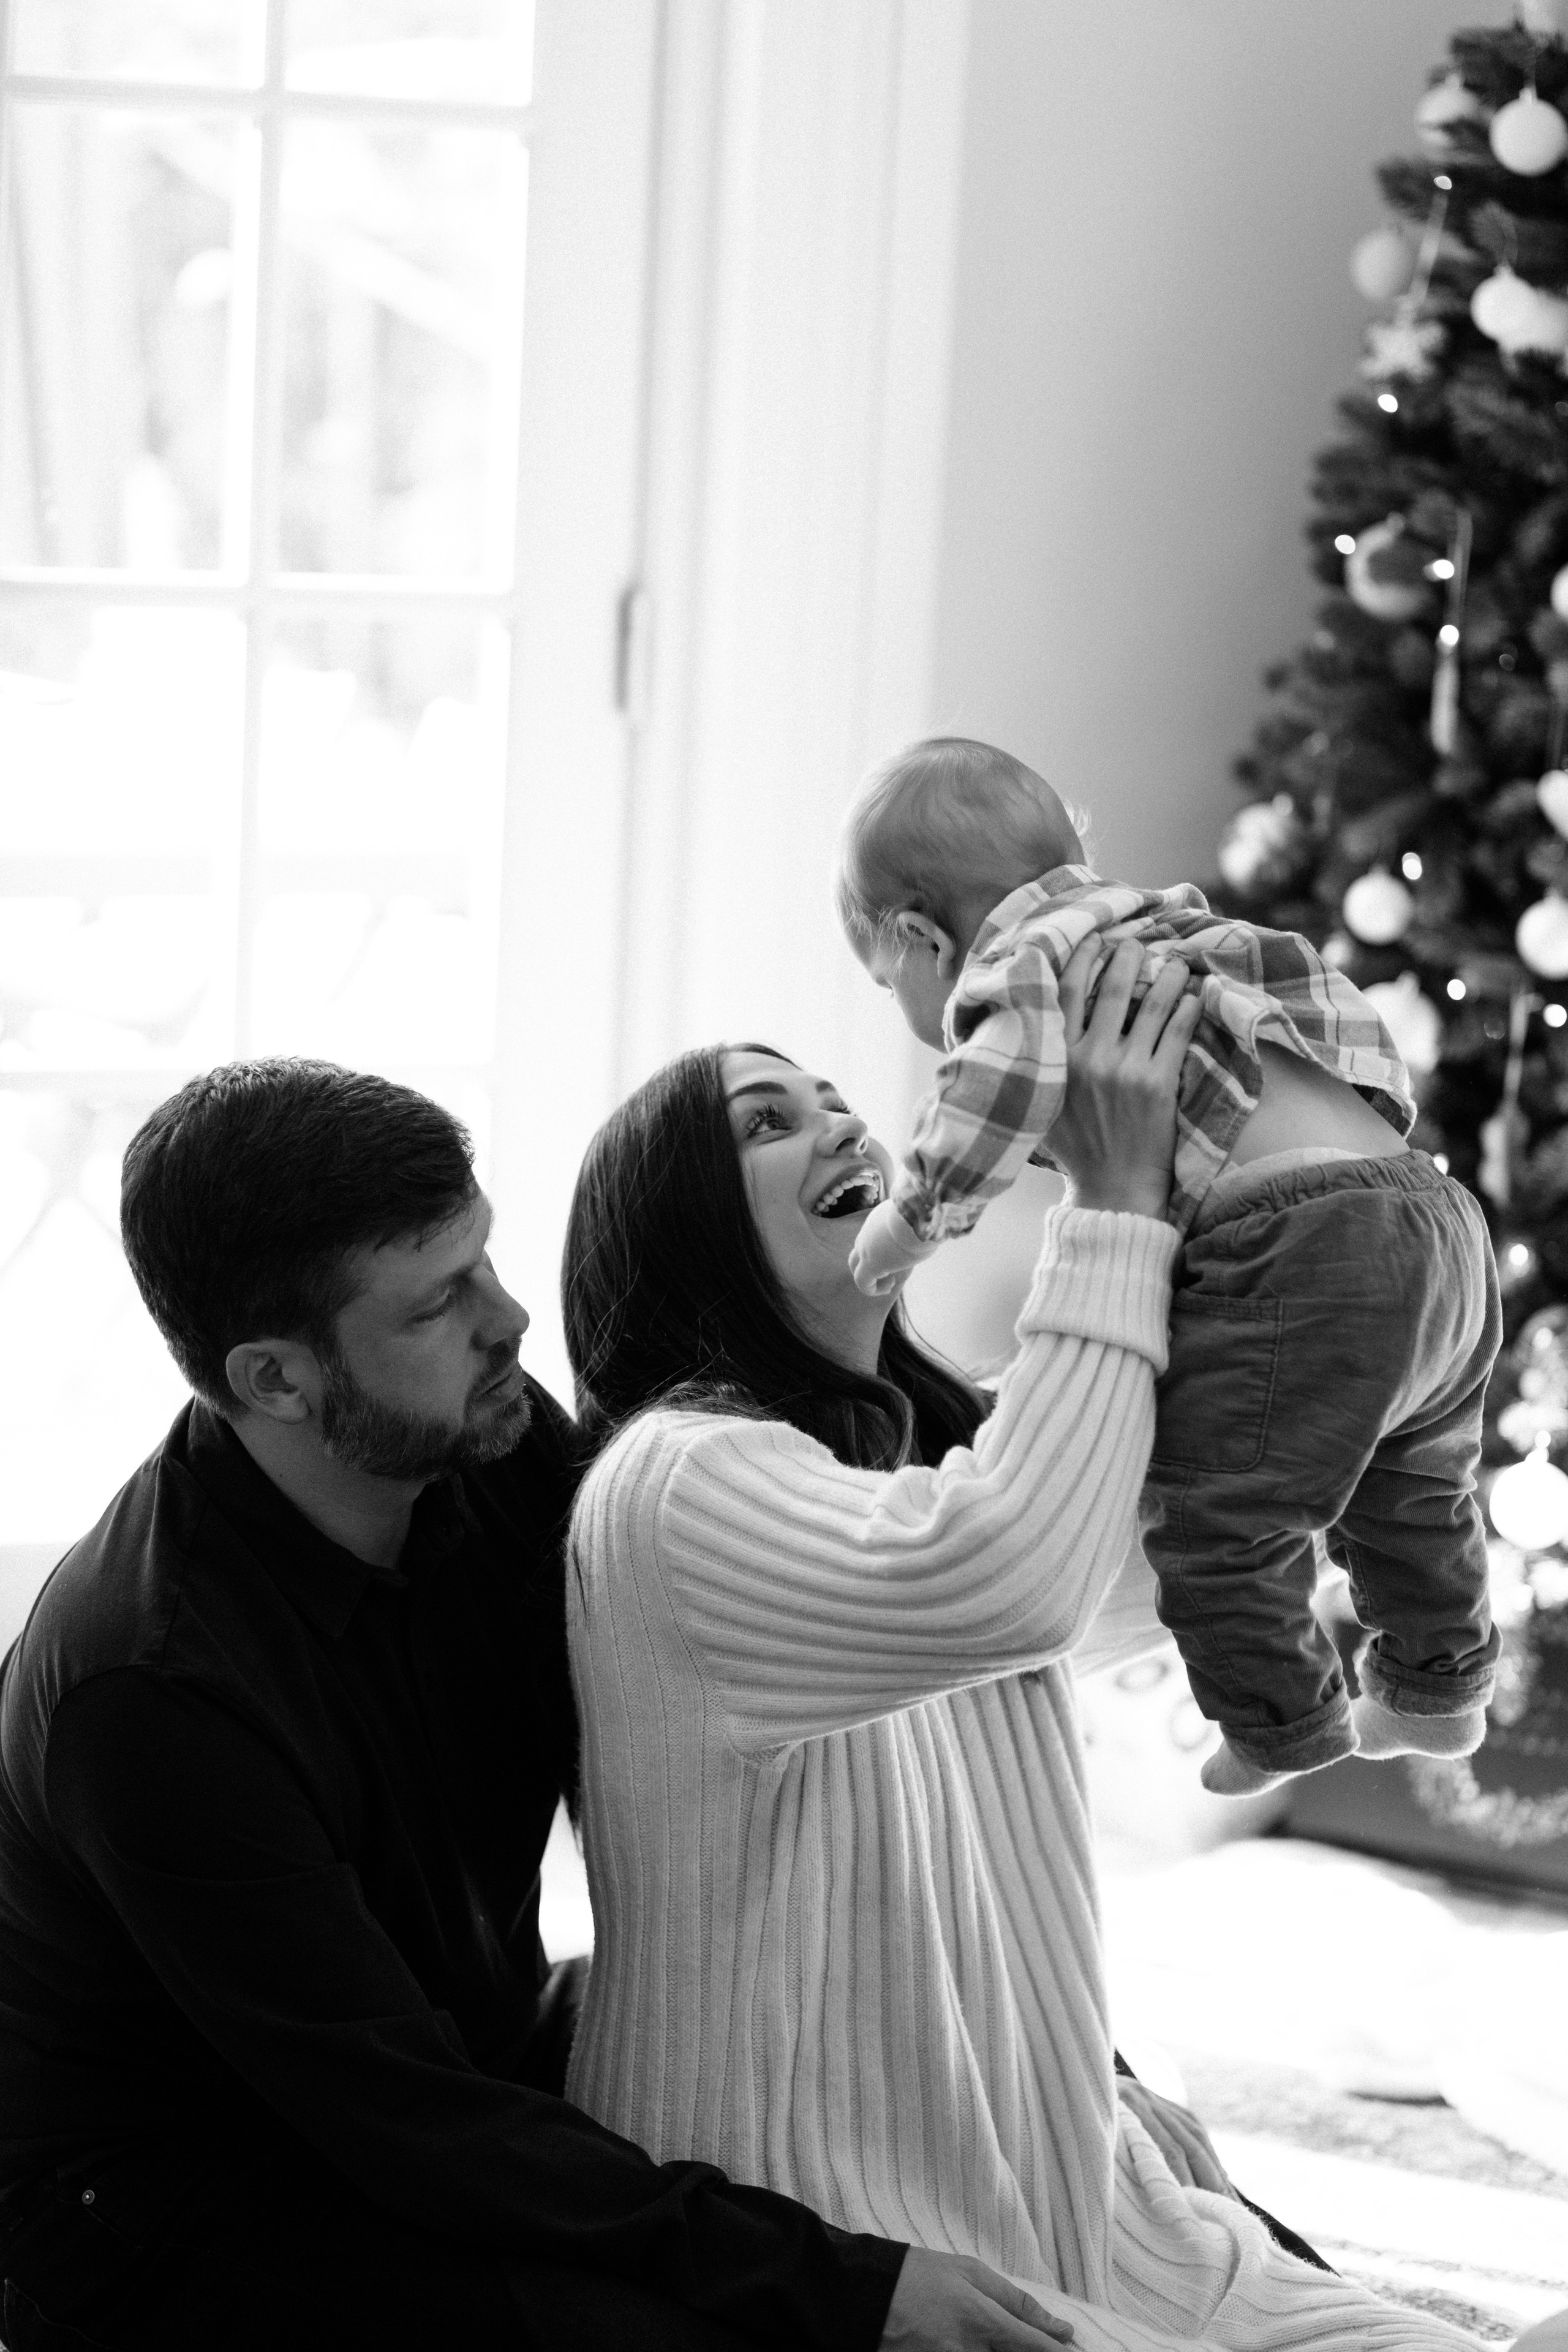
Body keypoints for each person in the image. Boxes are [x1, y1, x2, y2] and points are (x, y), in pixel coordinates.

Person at [0, 1058, 1074, 2352]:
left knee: (926, 2084)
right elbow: (405, 2120)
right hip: (179, 2195)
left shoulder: (491, 1457)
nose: (508, 1319)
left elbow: (741, 1695)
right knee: (722, 2327)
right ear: (276, 1379)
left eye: (484, 1260)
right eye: (436, 1304)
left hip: (449, 2049)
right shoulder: (151, 1693)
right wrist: (849, 2282)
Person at [559, 944, 1479, 2352]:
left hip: (1083, 2219)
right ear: (679, 1233)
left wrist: (1319, 1214)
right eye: (764, 1121)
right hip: (838, 2269)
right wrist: (1107, 1200)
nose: (841, 1122)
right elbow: (1020, 1578)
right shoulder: (670, 1487)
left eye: (826, 1097)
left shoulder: (930, 1465)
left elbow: (1192, 1522)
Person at [832, 735, 1499, 1795]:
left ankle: (1284, 1726)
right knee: (1416, 1487)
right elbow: (1336, 1011)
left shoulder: (1020, 969)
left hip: (1306, 1239)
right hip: (1433, 1212)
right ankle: (1438, 1691)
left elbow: (985, 1106)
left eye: (890, 983)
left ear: (920, 938)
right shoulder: (1181, 924)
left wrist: (908, 1225)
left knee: (1216, 1517)